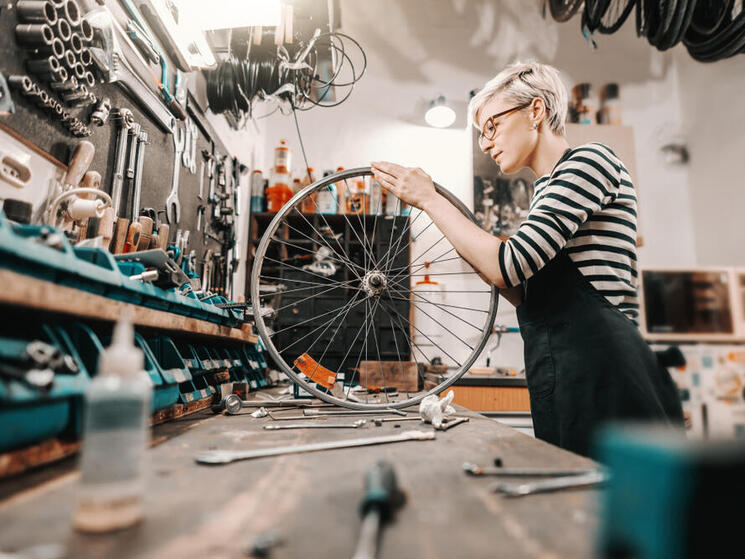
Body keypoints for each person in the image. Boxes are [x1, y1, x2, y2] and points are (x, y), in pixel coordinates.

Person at [371, 61, 683, 457]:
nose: (485, 144)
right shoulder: (545, 191)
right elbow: (525, 292)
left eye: (492, 126)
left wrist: (430, 199)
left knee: (613, 510)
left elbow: (509, 265)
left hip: (610, 375)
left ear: (535, 111)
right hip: (568, 374)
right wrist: (476, 253)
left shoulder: (589, 162)